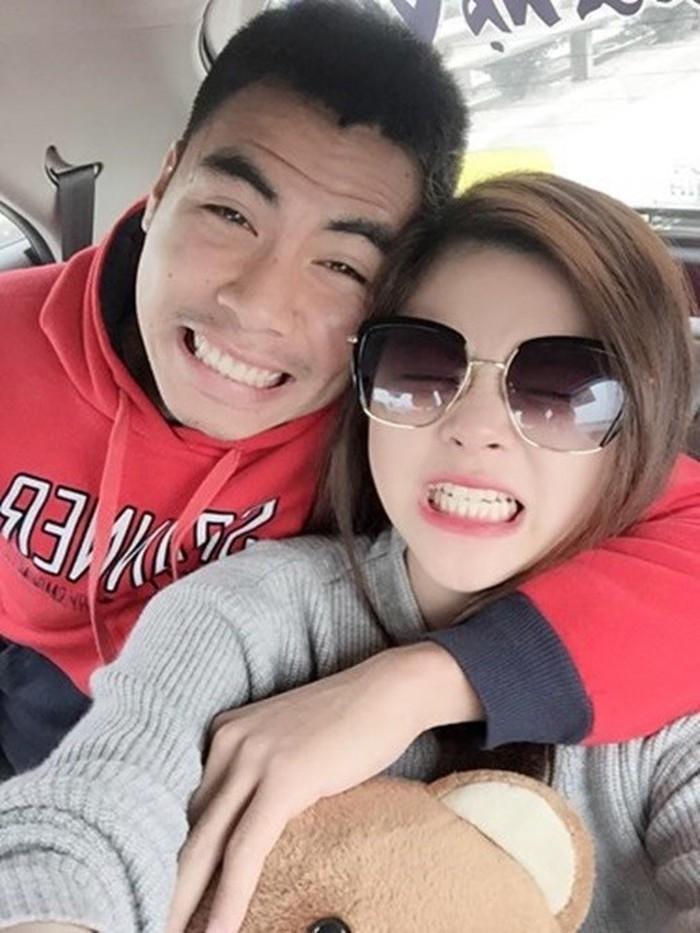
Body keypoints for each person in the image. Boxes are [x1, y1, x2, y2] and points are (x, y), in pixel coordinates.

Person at [0, 0, 698, 783]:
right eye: (230, 214)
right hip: (35, 683)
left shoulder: (407, 406)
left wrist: (420, 685)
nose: (260, 306)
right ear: (164, 183)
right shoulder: (9, 338)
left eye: (340, 264)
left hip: (259, 725)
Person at [1, 173, 698, 933]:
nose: (473, 427)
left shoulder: (667, 678)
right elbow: (94, 805)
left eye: (561, 389)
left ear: (641, 418)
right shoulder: (247, 615)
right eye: (420, 368)